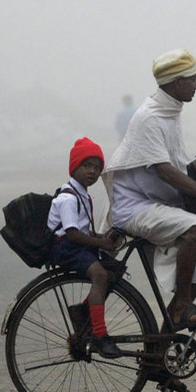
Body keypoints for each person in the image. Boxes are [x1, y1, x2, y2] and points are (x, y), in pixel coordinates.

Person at [103, 49, 196, 332]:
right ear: (177, 82)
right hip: (134, 207)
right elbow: (164, 170)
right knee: (195, 229)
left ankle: (159, 354)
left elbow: (179, 165)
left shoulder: (169, 111)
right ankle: (181, 308)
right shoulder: (150, 117)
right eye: (193, 79)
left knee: (193, 284)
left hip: (154, 203)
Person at [47, 137, 123, 359]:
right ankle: (100, 334)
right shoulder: (68, 198)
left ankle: (84, 311)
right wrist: (102, 243)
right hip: (65, 247)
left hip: (75, 244)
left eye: (97, 168)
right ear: (74, 167)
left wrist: (101, 237)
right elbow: (72, 233)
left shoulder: (82, 193)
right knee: (100, 275)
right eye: (86, 165)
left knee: (113, 271)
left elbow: (83, 231)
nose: (92, 171)